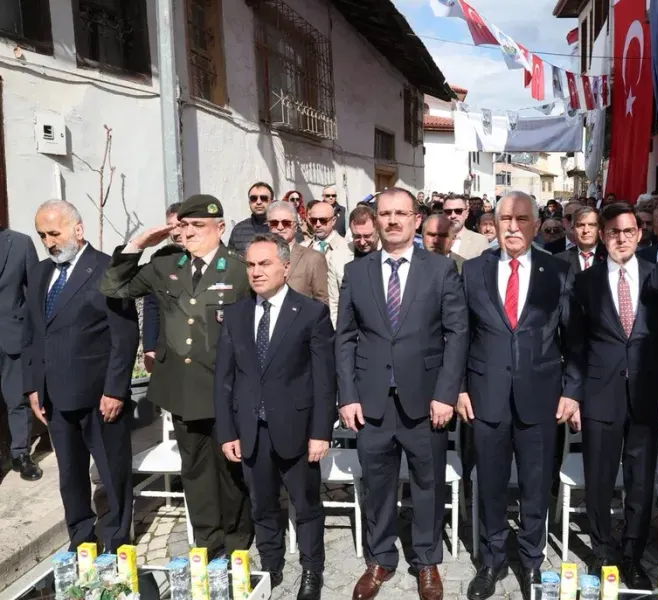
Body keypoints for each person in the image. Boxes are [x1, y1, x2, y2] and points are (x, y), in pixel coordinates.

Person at [100, 195, 253, 558]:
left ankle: (236, 540)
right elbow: (112, 286)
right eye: (184, 225)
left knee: (231, 469)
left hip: (226, 388)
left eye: (199, 226)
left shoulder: (238, 268)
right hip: (182, 389)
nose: (190, 232)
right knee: (196, 470)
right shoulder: (166, 264)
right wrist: (138, 244)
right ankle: (208, 542)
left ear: (220, 228)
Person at [336, 188, 468, 600]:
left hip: (425, 401)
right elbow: (345, 339)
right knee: (377, 485)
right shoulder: (356, 272)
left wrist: (447, 393)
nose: (392, 220)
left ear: (415, 220)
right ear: (375, 221)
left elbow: (456, 334)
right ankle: (380, 559)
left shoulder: (441, 269)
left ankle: (427, 561)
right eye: (385, 214)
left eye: (400, 214)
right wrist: (347, 395)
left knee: (427, 484)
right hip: (372, 400)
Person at [458, 191, 578, 599]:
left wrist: (572, 391)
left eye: (521, 218)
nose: (512, 226)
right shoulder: (473, 270)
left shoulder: (557, 270)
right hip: (486, 394)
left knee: (535, 482)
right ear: (493, 221)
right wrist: (458, 388)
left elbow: (574, 338)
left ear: (535, 223)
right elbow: (461, 335)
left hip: (541, 397)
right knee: (490, 483)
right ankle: (490, 560)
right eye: (505, 218)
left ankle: (530, 561)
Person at [214, 233, 335, 599]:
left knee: (306, 505)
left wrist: (320, 432)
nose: (256, 271)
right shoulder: (235, 314)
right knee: (261, 503)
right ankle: (271, 566)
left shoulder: (311, 312)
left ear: (285, 266)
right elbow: (224, 378)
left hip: (297, 429)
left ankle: (312, 571)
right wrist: (227, 431)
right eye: (250, 264)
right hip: (251, 428)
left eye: (264, 263)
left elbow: (324, 379)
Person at [565, 202, 658, 588]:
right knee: (598, 477)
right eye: (613, 232)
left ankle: (632, 552)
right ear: (602, 235)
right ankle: (603, 550)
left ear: (640, 233)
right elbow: (574, 345)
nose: (621, 238)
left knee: (640, 479)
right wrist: (574, 395)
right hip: (600, 393)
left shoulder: (656, 277)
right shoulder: (585, 281)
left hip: (646, 394)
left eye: (628, 231)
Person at [25, 200, 139, 550]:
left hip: (99, 396)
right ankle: (81, 536)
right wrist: (33, 387)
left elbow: (124, 336)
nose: (49, 242)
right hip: (55, 397)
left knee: (112, 472)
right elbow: (35, 333)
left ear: (78, 229)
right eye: (42, 235)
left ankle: (117, 538)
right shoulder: (41, 273)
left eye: (54, 233)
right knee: (70, 475)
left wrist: (116, 390)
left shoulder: (106, 270)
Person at [0, 224, 39, 480]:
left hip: (12, 334)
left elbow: (34, 292)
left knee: (17, 398)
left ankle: (20, 453)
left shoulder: (20, 243)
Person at [143, 204, 185, 375]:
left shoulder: (216, 259)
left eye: (180, 225)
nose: (175, 232)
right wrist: (149, 348)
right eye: (171, 226)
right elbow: (152, 305)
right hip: (169, 350)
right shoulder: (161, 259)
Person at [326, 205, 381, 328]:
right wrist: (338, 330)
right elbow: (334, 301)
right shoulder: (337, 257)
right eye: (356, 236)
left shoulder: (390, 252)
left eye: (367, 236)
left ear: (377, 229)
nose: (362, 242)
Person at [266, 202, 328, 304]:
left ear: (295, 226)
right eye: (274, 223)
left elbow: (323, 301)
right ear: (268, 226)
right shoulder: (259, 257)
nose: (280, 227)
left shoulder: (313, 258)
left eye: (286, 223)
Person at [228, 182, 274, 255]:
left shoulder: (281, 228)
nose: (258, 202)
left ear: (271, 202)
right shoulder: (239, 229)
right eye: (254, 198)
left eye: (264, 198)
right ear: (249, 202)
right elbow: (231, 259)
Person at [556, 206, 606, 274]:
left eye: (592, 225)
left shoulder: (610, 256)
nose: (586, 230)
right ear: (573, 229)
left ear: (599, 229)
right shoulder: (559, 260)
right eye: (581, 225)